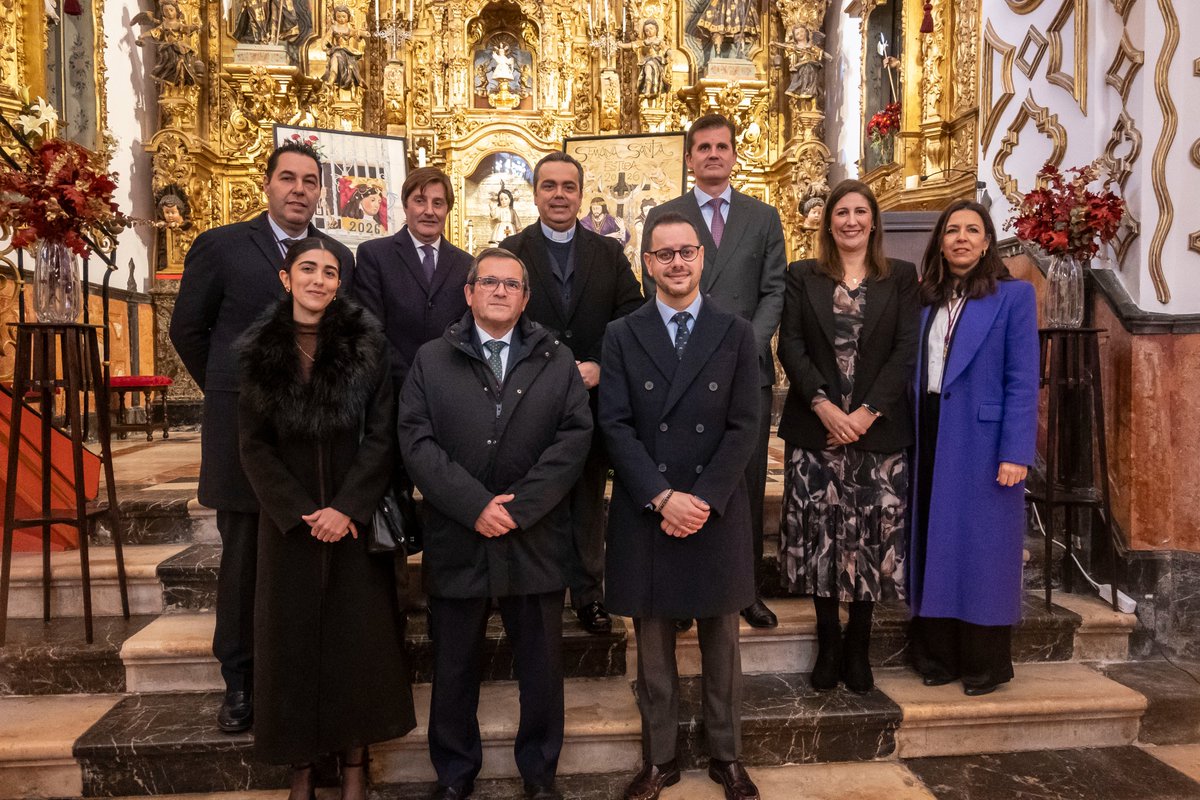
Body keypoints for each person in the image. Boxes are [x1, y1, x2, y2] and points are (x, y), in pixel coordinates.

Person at [169, 140, 354, 733]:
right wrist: (236, 391)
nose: (299, 189)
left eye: (309, 181)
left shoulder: (333, 254)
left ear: (320, 191)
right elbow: (189, 329)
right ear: (267, 184)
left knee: (302, 563)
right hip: (243, 437)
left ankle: (297, 673)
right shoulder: (223, 246)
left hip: (315, 442)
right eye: (288, 178)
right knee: (245, 561)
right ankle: (240, 681)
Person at [397, 248, 593, 800]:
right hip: (458, 536)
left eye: (512, 284)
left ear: (526, 297)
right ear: (469, 292)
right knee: (454, 667)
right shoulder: (432, 359)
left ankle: (539, 775)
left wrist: (518, 507)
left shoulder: (556, 359)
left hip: (535, 538)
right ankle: (455, 776)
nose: (501, 291)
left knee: (541, 669)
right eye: (490, 282)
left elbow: (575, 438)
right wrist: (474, 506)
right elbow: (415, 440)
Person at [237, 238, 415, 800]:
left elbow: (383, 434)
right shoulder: (260, 349)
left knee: (357, 647)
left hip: (353, 520)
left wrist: (346, 508)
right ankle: (301, 769)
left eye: (330, 271)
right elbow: (253, 446)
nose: (319, 279)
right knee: (290, 648)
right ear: (287, 279)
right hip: (288, 525)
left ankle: (356, 764)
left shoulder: (367, 344)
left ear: (341, 282)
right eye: (307, 269)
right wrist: (299, 512)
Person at [602, 212, 761, 800]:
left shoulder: (736, 330)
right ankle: (659, 761)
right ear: (647, 264)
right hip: (651, 507)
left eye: (685, 252)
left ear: (701, 258)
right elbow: (614, 425)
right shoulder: (622, 333)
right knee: (653, 650)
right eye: (662, 253)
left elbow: (746, 425)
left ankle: (728, 758)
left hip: (714, 506)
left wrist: (702, 497)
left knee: (723, 643)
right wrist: (663, 496)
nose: (675, 262)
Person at [642, 113, 786, 631]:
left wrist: (741, 344)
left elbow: (774, 290)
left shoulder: (763, 216)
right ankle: (683, 593)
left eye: (721, 146)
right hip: (681, 374)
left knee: (741, 484)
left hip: (744, 369)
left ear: (733, 153)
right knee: (681, 479)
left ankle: (742, 590)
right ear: (689, 157)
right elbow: (654, 289)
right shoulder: (665, 214)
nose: (712, 155)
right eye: (702, 147)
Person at [776, 179, 920, 693]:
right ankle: (827, 640)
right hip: (816, 431)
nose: (851, 221)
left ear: (874, 221)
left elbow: (906, 348)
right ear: (827, 221)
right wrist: (822, 404)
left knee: (870, 537)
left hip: (876, 434)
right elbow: (789, 343)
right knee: (821, 537)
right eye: (841, 213)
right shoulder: (802, 275)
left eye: (860, 212)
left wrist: (864, 414)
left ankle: (858, 643)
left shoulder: (900, 277)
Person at [501, 152, 644, 636]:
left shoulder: (608, 254)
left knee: (586, 498)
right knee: (533, 491)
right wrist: (549, 369)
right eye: (549, 186)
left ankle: (588, 594)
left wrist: (600, 364)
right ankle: (530, 588)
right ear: (535, 192)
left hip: (593, 396)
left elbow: (631, 315)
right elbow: (500, 318)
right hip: (529, 397)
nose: (559, 195)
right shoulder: (511, 250)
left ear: (581, 195)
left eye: (568, 186)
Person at [907, 199, 1039, 696]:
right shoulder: (924, 298)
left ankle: (984, 663)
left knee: (982, 550)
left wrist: (1017, 451)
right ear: (940, 241)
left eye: (972, 230)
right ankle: (936, 655)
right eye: (952, 230)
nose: (961, 238)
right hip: (931, 428)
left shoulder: (1014, 296)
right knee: (934, 542)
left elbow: (1023, 380)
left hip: (985, 441)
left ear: (987, 242)